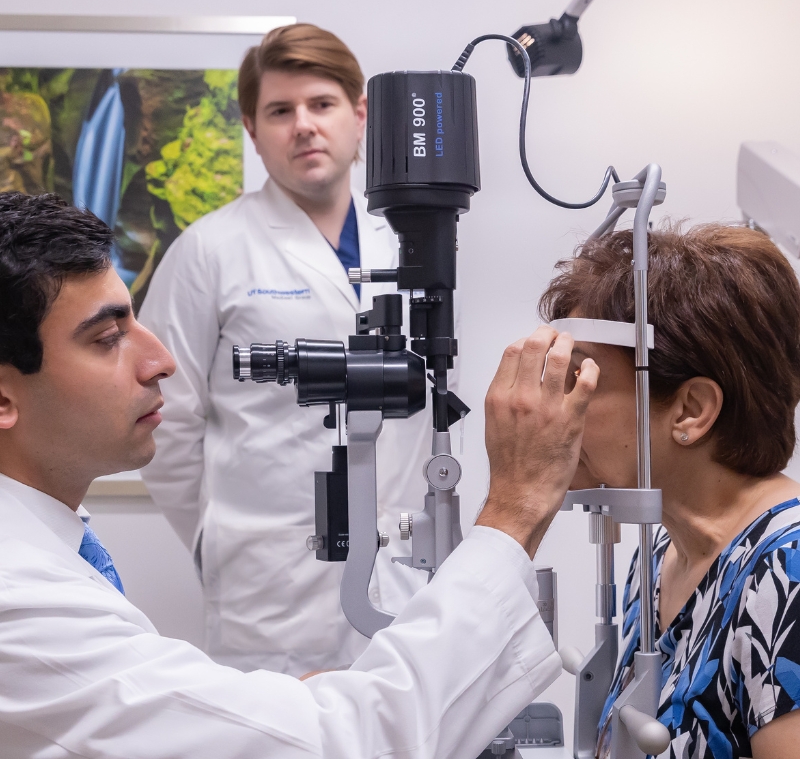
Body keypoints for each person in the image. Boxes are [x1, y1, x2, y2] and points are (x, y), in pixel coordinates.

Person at [0, 191, 597, 757]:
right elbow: (345, 745)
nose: (161, 361)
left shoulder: (49, 547)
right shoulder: (22, 602)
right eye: (107, 339)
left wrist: (282, 709)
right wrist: (516, 509)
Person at [138, 23, 440, 676]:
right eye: (280, 111)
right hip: (271, 588)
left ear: (359, 116)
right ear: (253, 128)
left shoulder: (416, 245)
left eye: (321, 105)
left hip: (409, 570)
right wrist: (222, 537)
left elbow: (436, 407)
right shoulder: (209, 251)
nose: (303, 125)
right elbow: (164, 422)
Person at [538, 223, 800, 759]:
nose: (555, 412)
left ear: (691, 411)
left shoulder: (788, 578)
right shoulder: (663, 555)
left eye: (584, 379)